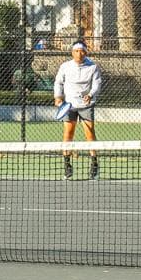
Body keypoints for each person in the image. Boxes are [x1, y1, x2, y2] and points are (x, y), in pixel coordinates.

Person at [51, 39, 101, 179]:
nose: (79, 54)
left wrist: (90, 95)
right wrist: (58, 97)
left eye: (82, 51)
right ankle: (67, 165)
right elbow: (58, 83)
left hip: (86, 105)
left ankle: (94, 164)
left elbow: (97, 85)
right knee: (68, 135)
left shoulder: (93, 67)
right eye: (76, 51)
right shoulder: (65, 66)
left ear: (86, 52)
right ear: (72, 52)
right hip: (69, 106)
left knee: (90, 134)